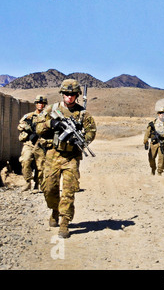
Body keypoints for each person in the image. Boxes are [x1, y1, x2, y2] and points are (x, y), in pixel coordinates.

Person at [36, 79, 96, 238]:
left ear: (77, 95)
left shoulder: (83, 114)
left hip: (71, 158)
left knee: (69, 191)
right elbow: (38, 127)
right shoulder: (51, 109)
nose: (69, 97)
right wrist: (52, 123)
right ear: (62, 94)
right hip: (52, 155)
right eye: (66, 94)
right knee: (49, 189)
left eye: (72, 94)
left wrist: (81, 139)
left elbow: (91, 132)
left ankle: (64, 222)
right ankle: (55, 209)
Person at [17, 95, 48, 193]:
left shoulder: (48, 116)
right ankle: (27, 182)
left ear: (44, 105)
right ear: (36, 104)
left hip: (42, 144)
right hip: (29, 143)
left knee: (41, 165)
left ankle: (37, 184)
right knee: (25, 161)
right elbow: (20, 125)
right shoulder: (29, 116)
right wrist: (27, 127)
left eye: (42, 103)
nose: (40, 105)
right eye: (38, 103)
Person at [144, 106, 164, 176]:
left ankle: (159, 172)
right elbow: (147, 132)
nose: (161, 114)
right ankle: (153, 168)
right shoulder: (152, 123)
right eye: (160, 113)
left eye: (163, 113)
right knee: (151, 158)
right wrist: (145, 140)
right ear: (158, 114)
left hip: (162, 143)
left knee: (161, 158)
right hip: (154, 143)